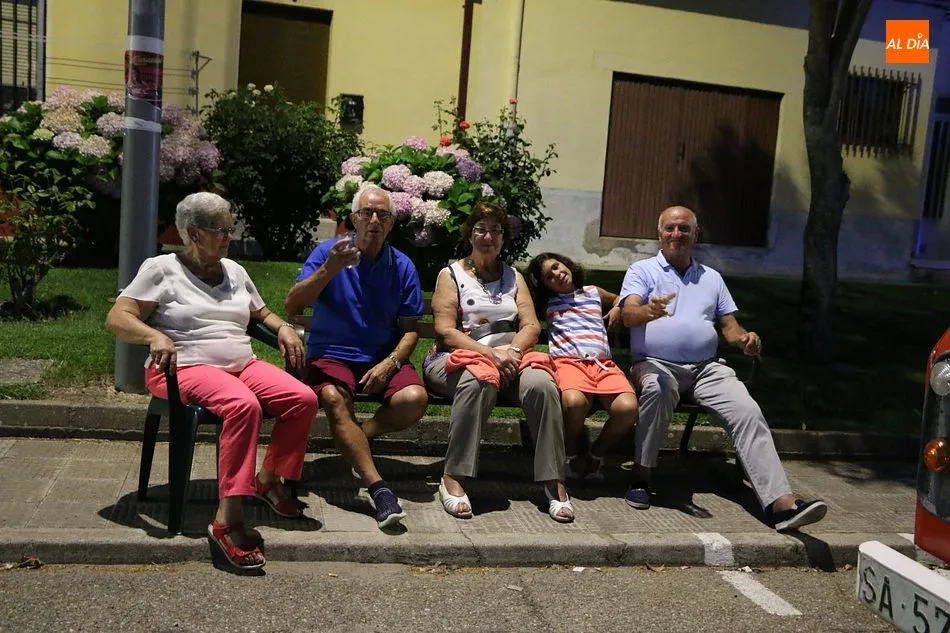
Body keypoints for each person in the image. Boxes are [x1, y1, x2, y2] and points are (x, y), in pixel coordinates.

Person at [105, 192, 318, 570]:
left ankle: (268, 480)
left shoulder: (234, 270)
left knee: (303, 399)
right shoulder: (161, 269)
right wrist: (153, 336)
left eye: (230, 228)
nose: (229, 237)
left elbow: (261, 313)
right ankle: (227, 520)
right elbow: (118, 317)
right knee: (243, 405)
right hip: (183, 367)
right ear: (193, 233)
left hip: (241, 364)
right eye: (221, 230)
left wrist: (283, 328)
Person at [619, 206, 827, 532]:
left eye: (684, 228)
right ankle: (641, 475)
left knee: (747, 410)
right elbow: (628, 314)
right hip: (655, 363)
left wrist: (745, 340)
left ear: (695, 235)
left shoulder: (711, 277)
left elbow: (730, 327)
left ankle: (780, 502)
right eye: (670, 228)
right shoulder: (642, 271)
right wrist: (649, 311)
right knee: (658, 389)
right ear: (659, 234)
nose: (677, 234)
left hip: (706, 368)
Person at [284, 185, 428, 529]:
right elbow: (292, 305)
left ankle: (360, 435)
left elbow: (410, 330)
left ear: (391, 224)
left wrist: (391, 363)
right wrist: (329, 269)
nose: (374, 220)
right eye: (367, 213)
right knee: (335, 399)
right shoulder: (329, 252)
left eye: (383, 215)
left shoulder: (402, 265)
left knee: (414, 399)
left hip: (380, 355)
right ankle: (379, 489)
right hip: (331, 354)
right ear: (353, 219)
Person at [424, 202, 574, 523]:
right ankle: (453, 477)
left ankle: (553, 480)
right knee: (478, 382)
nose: (488, 236)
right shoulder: (451, 275)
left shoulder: (514, 277)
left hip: (510, 360)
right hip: (457, 359)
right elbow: (446, 331)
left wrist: (513, 352)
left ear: (504, 238)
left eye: (495, 231)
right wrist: (491, 354)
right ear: (469, 235)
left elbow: (531, 325)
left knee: (542, 385)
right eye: (481, 230)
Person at [525, 252, 639, 495]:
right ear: (545, 285)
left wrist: (617, 307)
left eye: (557, 267)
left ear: (567, 264)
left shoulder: (593, 292)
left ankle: (596, 454)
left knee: (627, 409)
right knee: (575, 402)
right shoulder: (548, 303)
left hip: (603, 364)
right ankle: (570, 452)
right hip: (569, 363)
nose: (557, 275)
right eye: (549, 277)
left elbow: (620, 299)